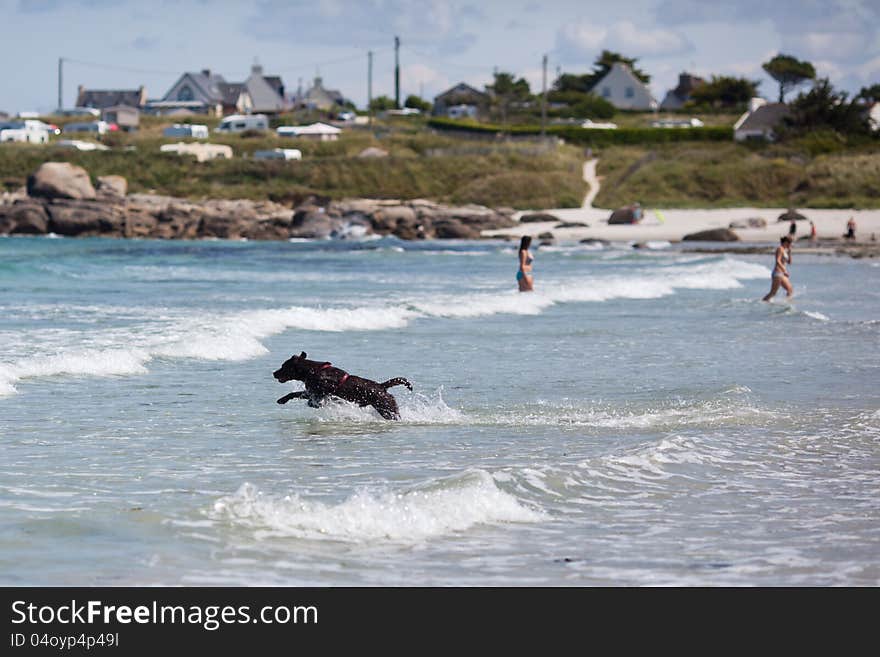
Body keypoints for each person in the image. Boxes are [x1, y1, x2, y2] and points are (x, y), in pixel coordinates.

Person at [763, 236, 793, 301]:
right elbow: (778, 261)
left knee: (790, 289)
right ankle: (762, 303)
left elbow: (789, 262)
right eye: (789, 243)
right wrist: (784, 270)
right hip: (778, 273)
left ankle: (787, 305)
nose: (790, 245)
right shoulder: (779, 249)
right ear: (785, 242)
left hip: (782, 274)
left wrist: (789, 253)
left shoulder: (785, 250)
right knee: (773, 293)